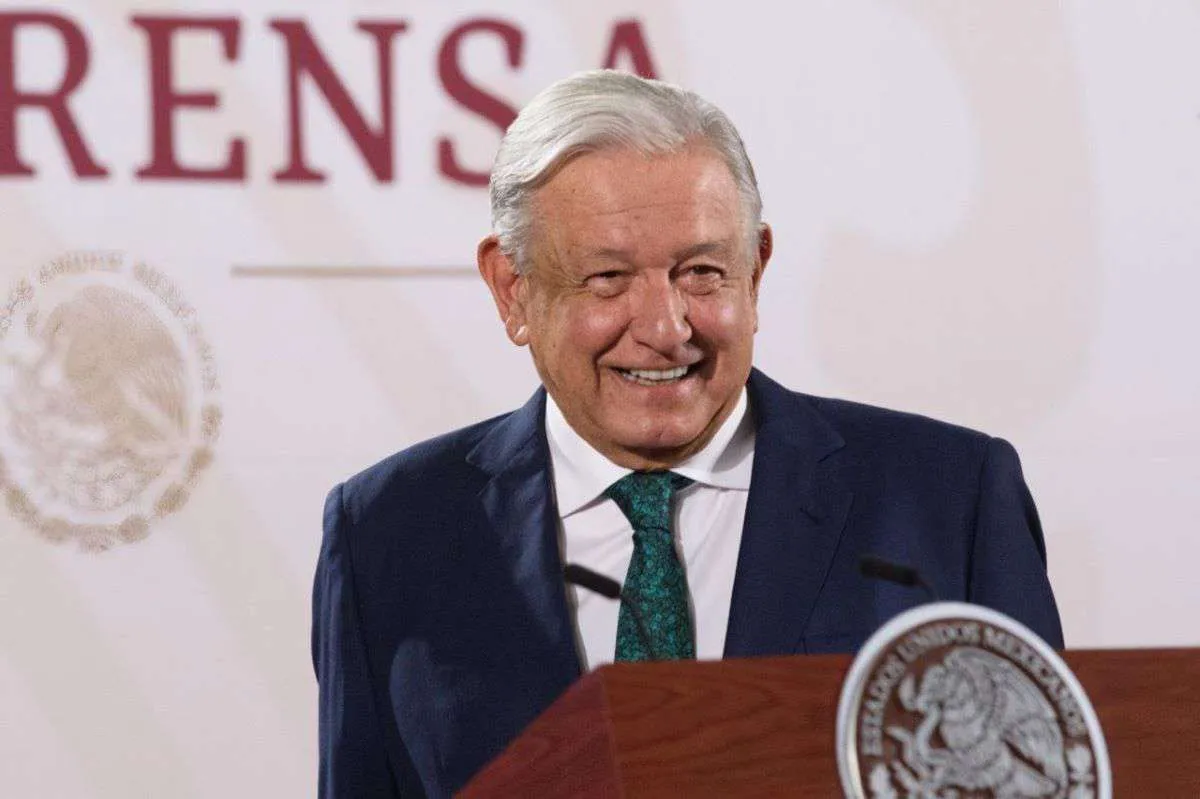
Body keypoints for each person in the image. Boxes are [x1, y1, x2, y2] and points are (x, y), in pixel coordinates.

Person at [313, 69, 1063, 798]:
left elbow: (1050, 774)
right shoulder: (388, 532)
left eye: (702, 272)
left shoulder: (948, 500)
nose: (666, 328)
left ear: (756, 271)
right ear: (513, 289)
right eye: (607, 279)